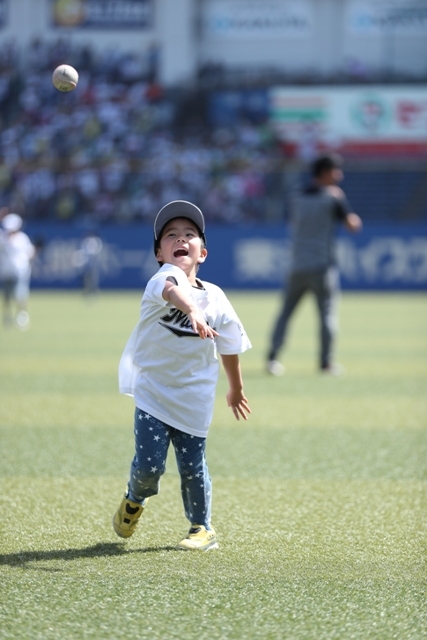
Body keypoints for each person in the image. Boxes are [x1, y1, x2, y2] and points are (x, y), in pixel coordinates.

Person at [113, 200, 252, 551]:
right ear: (159, 253)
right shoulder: (160, 280)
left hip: (194, 399)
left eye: (189, 234)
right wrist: (191, 310)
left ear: (202, 252)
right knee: (148, 468)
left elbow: (230, 345)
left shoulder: (217, 299)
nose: (180, 238)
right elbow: (172, 291)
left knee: (193, 468)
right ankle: (134, 498)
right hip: (153, 394)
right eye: (171, 235)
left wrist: (235, 388)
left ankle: (202, 528)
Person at [266, 153, 362, 376]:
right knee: (327, 314)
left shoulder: (297, 196)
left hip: (297, 264)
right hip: (322, 265)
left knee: (286, 312)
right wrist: (341, 200)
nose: (340, 175)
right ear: (326, 173)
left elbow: (293, 222)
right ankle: (326, 363)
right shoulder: (333, 197)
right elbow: (353, 225)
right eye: (336, 171)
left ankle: (272, 358)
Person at [0, 213, 35, 329]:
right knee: (7, 296)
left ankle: (21, 317)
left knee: (21, 295)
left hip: (20, 270)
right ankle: (8, 317)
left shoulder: (22, 238)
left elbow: (30, 252)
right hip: (7, 271)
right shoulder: (3, 238)